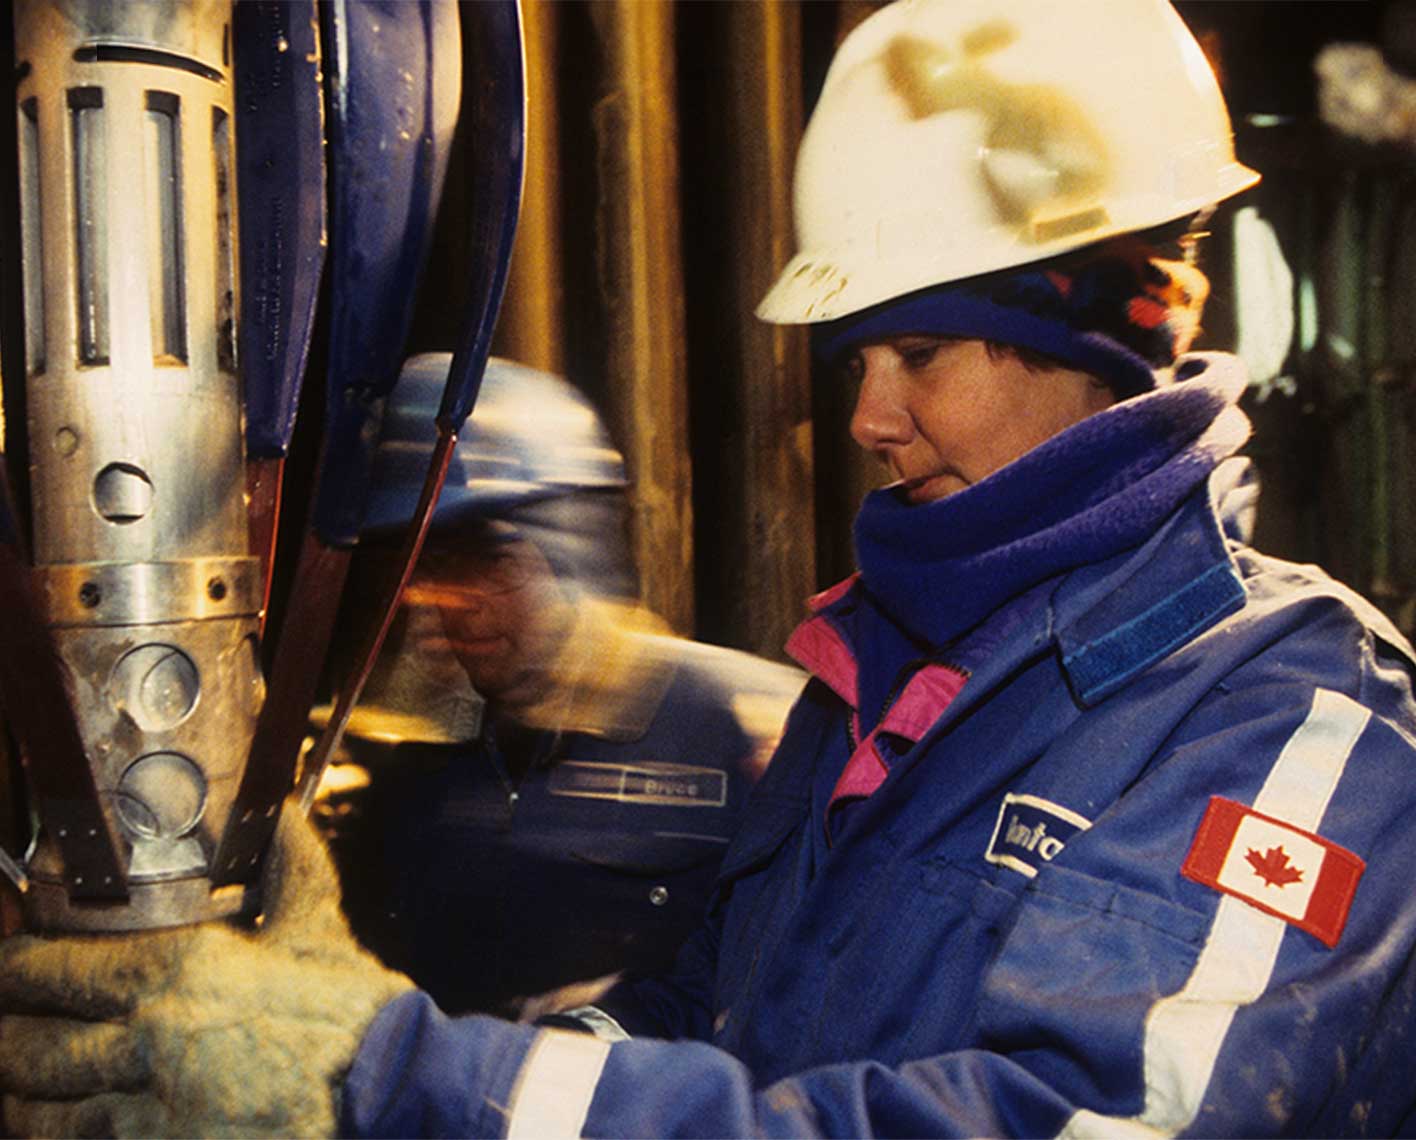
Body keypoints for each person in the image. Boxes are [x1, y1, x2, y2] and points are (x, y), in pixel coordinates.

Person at [4, 1, 1416, 1137]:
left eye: (918, 353)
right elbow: (704, 1020)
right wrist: (346, 1041)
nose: (866, 418)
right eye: (858, 358)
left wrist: (400, 1080)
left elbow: (1089, 1118)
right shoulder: (875, 681)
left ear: (1107, 336)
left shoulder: (1297, 721)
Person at [312, 354, 805, 1017]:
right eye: (427, 573)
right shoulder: (402, 773)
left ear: (574, 548)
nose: (449, 607)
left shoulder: (753, 730)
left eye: (487, 564)